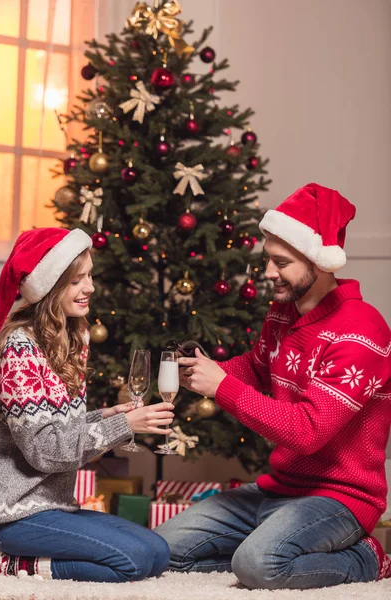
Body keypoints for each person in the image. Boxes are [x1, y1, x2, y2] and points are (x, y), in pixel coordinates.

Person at [155, 183, 391, 590]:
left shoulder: (362, 330)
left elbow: (307, 432)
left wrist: (223, 387)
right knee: (160, 550)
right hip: (278, 488)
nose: (267, 273)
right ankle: (271, 542)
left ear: (318, 262)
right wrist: (208, 371)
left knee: (259, 565)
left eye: (281, 263)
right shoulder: (282, 315)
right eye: (268, 260)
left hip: (339, 498)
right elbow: (257, 367)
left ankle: (366, 559)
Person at [0, 227, 174, 583]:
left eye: (89, 276)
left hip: (54, 506)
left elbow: (52, 425)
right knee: (133, 560)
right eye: (76, 280)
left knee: (157, 552)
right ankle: (10, 564)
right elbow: (44, 451)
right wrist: (124, 427)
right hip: (10, 512)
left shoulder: (68, 340)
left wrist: (104, 416)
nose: (89, 287)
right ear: (50, 287)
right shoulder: (19, 349)